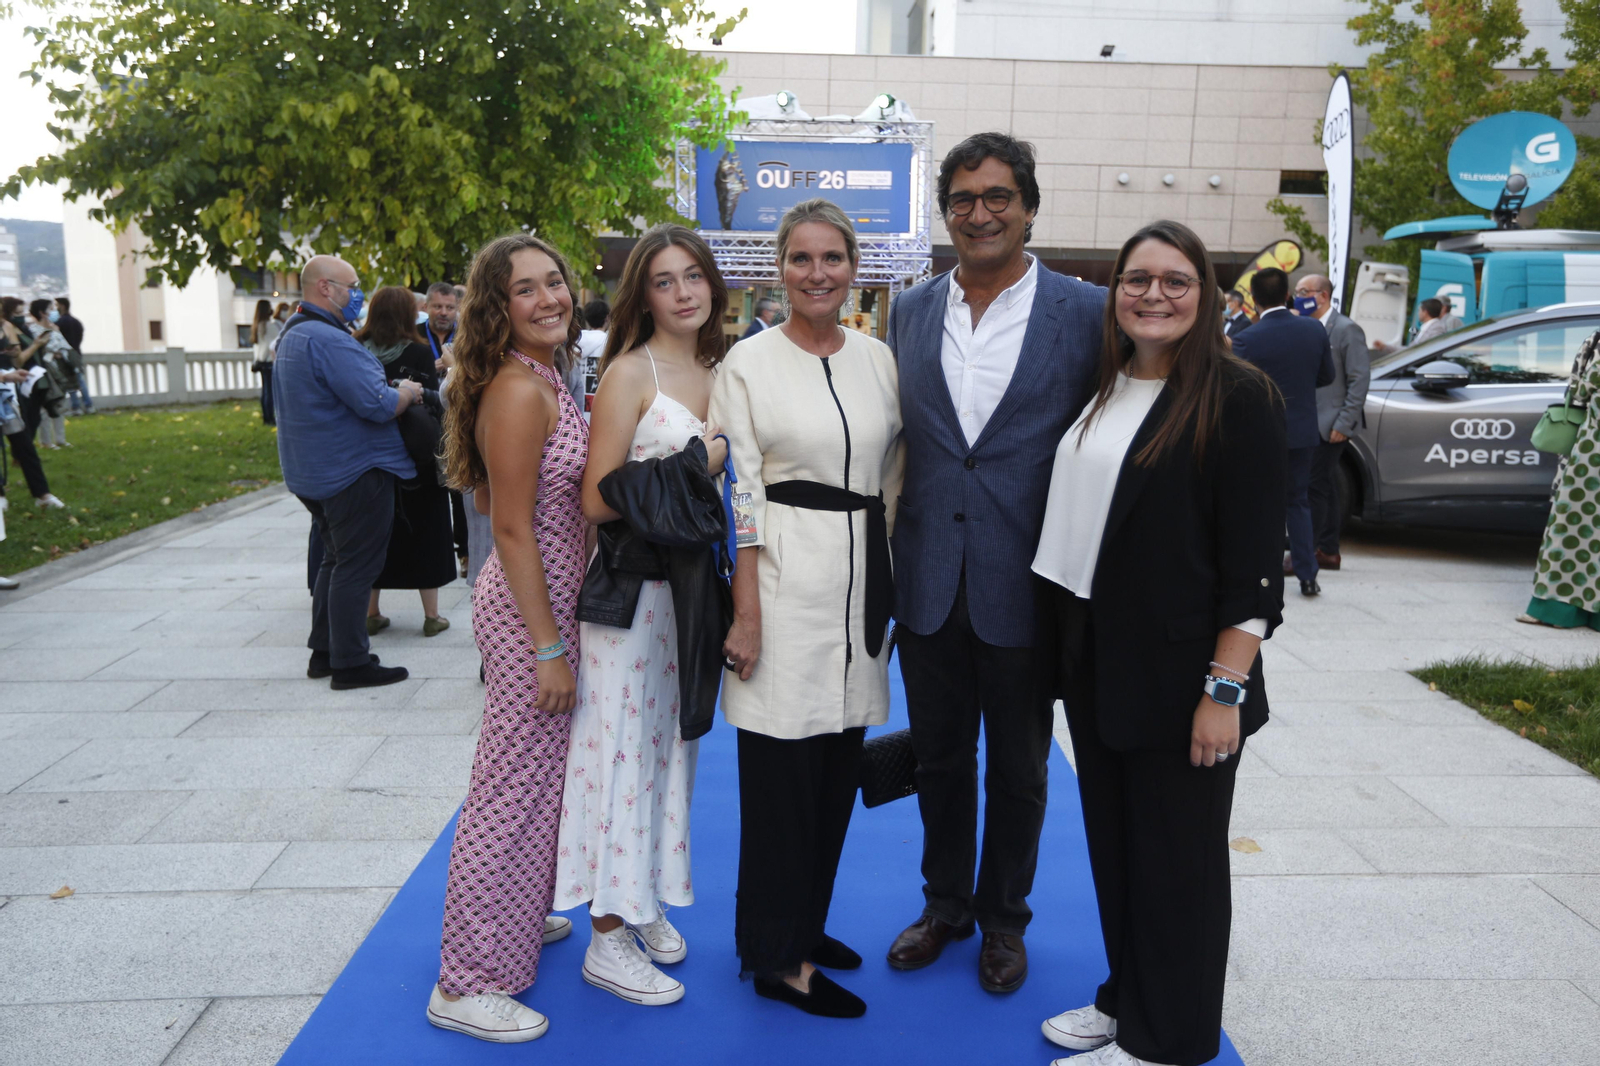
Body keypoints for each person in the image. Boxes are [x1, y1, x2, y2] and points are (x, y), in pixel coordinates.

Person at [1034, 219, 1285, 1066]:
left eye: (1175, 280)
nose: (1153, 295)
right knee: (1119, 849)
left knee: (1177, 868)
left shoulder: (1237, 396)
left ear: (1206, 295)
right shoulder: (1106, 386)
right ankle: (1126, 999)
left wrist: (1225, 691)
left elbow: (1254, 565)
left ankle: (1166, 1044)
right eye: (1137, 279)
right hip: (1102, 662)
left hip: (1187, 680)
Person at [883, 131, 1104, 994]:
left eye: (998, 197)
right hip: (930, 582)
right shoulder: (907, 311)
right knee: (939, 759)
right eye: (964, 200)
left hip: (1030, 585)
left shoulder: (1085, 313)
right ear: (947, 215)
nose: (980, 213)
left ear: (1029, 207)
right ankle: (946, 907)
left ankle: (1004, 920)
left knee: (1020, 767)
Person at [711, 198, 904, 1019]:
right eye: (801, 259)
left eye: (832, 259)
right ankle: (777, 958)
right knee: (782, 780)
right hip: (785, 580)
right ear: (778, 269)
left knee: (834, 771)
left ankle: (803, 923)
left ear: (854, 268)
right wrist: (746, 611)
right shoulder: (746, 366)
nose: (817, 274)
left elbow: (894, 476)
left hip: (863, 588)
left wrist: (892, 583)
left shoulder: (878, 359)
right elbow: (741, 496)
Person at [552, 224, 730, 1006]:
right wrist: (696, 465)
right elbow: (595, 497)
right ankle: (606, 934)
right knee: (622, 754)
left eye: (694, 275)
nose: (684, 291)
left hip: (693, 594)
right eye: (665, 280)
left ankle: (643, 896)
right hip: (631, 598)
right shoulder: (630, 372)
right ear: (642, 294)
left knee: (668, 755)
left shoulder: (723, 367)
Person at [428, 234, 589, 1044]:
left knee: (537, 785)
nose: (548, 298)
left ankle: (515, 918)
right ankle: (465, 981)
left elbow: (495, 496)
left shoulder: (539, 376)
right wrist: (547, 646)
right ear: (499, 307)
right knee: (508, 791)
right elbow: (512, 529)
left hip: (545, 602)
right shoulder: (521, 392)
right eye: (525, 290)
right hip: (534, 611)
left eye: (553, 282)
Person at [273, 255, 422, 689]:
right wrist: (408, 393)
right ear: (325, 288)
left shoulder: (294, 334)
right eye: (351, 285)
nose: (358, 293)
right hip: (354, 470)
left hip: (314, 472)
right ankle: (352, 663)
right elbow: (377, 405)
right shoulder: (328, 340)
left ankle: (325, 652)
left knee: (335, 562)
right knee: (356, 567)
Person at [354, 286, 457, 638]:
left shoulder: (354, 349)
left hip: (367, 456)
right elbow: (433, 402)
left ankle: (372, 612)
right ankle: (432, 616)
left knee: (372, 535)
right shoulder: (417, 350)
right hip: (415, 457)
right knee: (426, 529)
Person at [1231, 267, 1333, 596]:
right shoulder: (1314, 329)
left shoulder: (1246, 339)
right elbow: (1326, 376)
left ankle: (1262, 572)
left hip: (1260, 433)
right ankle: (1307, 576)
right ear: (1288, 294)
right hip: (1303, 430)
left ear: (1254, 301)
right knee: (1298, 501)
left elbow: (1236, 388)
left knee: (1259, 503)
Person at [1521, 328, 1600, 628]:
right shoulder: (1595, 338)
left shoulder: (1596, 338)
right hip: (1589, 453)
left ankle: (1558, 610)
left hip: (1590, 454)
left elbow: (1580, 387)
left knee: (1572, 527)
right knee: (1575, 527)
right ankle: (1569, 611)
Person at [1294, 274, 1370, 572]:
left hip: (1333, 422)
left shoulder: (1346, 329)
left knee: (1314, 487)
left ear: (1322, 295)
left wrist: (1345, 421)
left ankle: (1309, 551)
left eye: (1303, 291)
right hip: (1309, 421)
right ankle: (1329, 549)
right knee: (1324, 486)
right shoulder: (1306, 326)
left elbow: (1359, 378)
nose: (1298, 296)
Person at [0, 311, 63, 511]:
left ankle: (42, 494)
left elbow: (18, 360)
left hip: (7, 396)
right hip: (6, 384)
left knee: (24, 444)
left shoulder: (6, 326)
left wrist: (10, 365)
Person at [27, 300, 76, 449]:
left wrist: (59, 352)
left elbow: (65, 346)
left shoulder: (55, 329)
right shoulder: (33, 330)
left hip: (58, 371)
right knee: (45, 405)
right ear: (42, 312)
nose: (54, 311)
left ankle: (61, 439)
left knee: (60, 403)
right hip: (43, 371)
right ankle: (46, 441)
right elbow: (39, 348)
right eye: (51, 309)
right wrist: (53, 350)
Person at [54, 296, 92, 414]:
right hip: (76, 353)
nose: (55, 308)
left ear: (62, 306)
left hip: (65, 354)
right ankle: (88, 405)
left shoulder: (59, 323)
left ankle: (76, 407)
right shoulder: (76, 322)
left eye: (56, 305)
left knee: (70, 381)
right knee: (80, 380)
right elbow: (80, 337)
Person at [251, 299, 280, 426]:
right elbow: (274, 343)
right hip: (269, 361)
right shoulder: (269, 325)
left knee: (265, 391)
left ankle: (266, 416)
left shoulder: (257, 325)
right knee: (270, 391)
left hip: (261, 361)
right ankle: (270, 418)